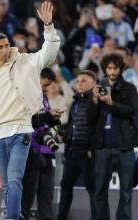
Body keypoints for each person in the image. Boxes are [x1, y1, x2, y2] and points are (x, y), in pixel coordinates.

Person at [0, 2, 60, 219]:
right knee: (8, 185)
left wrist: (48, 26)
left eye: (7, 45)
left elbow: (48, 54)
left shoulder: (26, 61)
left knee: (14, 179)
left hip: (21, 130)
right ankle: (16, 216)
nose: (5, 49)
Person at [92, 53, 138, 220]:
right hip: (102, 146)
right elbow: (92, 118)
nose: (112, 71)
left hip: (124, 146)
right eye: (109, 68)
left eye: (115, 68)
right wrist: (93, 100)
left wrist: (111, 102)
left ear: (121, 69)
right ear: (105, 69)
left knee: (126, 191)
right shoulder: (99, 87)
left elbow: (132, 112)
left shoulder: (129, 88)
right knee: (99, 190)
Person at [57, 70, 99, 220]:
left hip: (88, 152)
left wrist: (92, 148)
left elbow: (97, 127)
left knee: (92, 188)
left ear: (93, 83)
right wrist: (66, 136)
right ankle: (61, 217)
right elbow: (72, 125)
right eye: (78, 81)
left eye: (84, 81)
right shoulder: (75, 101)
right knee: (65, 186)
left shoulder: (96, 100)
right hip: (73, 151)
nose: (80, 84)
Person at [21, 68, 61, 220]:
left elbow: (43, 121)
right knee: (27, 196)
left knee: (46, 194)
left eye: (47, 86)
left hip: (45, 150)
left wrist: (53, 119)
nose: (45, 89)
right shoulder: (24, 96)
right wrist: (47, 116)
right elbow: (28, 121)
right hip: (30, 151)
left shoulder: (43, 98)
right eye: (43, 85)